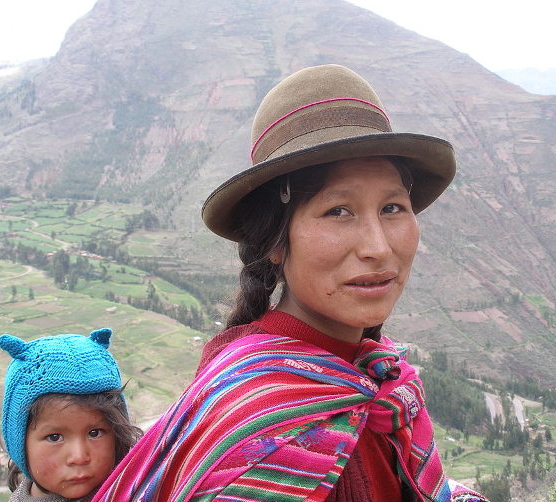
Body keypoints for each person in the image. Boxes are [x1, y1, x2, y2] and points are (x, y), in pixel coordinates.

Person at [93, 65, 488, 501]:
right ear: (275, 242)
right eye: (338, 211)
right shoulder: (260, 430)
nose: (377, 246)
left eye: (393, 207)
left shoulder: (374, 375)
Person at [0, 328, 141, 502]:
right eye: (54, 437)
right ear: (19, 443)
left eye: (95, 433)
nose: (79, 457)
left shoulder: (139, 491)